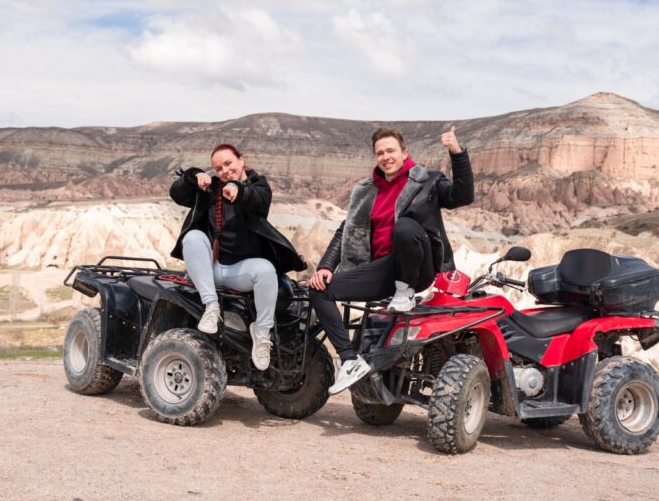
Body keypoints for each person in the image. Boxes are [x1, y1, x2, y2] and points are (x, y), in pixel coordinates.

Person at [308, 126, 474, 394]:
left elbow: (462, 196)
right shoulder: (366, 191)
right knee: (320, 290)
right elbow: (345, 229)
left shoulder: (427, 181)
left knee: (405, 227)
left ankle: (405, 290)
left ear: (404, 152)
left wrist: (457, 152)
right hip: (382, 269)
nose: (385, 156)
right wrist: (326, 266)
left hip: (419, 267)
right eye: (380, 153)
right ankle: (350, 361)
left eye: (391, 151)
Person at [170, 144, 306, 370]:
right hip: (210, 269)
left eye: (228, 163)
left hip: (239, 272)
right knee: (193, 237)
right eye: (218, 168)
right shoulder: (211, 189)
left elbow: (258, 200)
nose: (224, 170)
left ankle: (262, 333)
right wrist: (194, 176)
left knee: (265, 270)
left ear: (241, 160)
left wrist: (238, 190)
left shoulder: (258, 186)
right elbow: (177, 193)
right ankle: (211, 307)